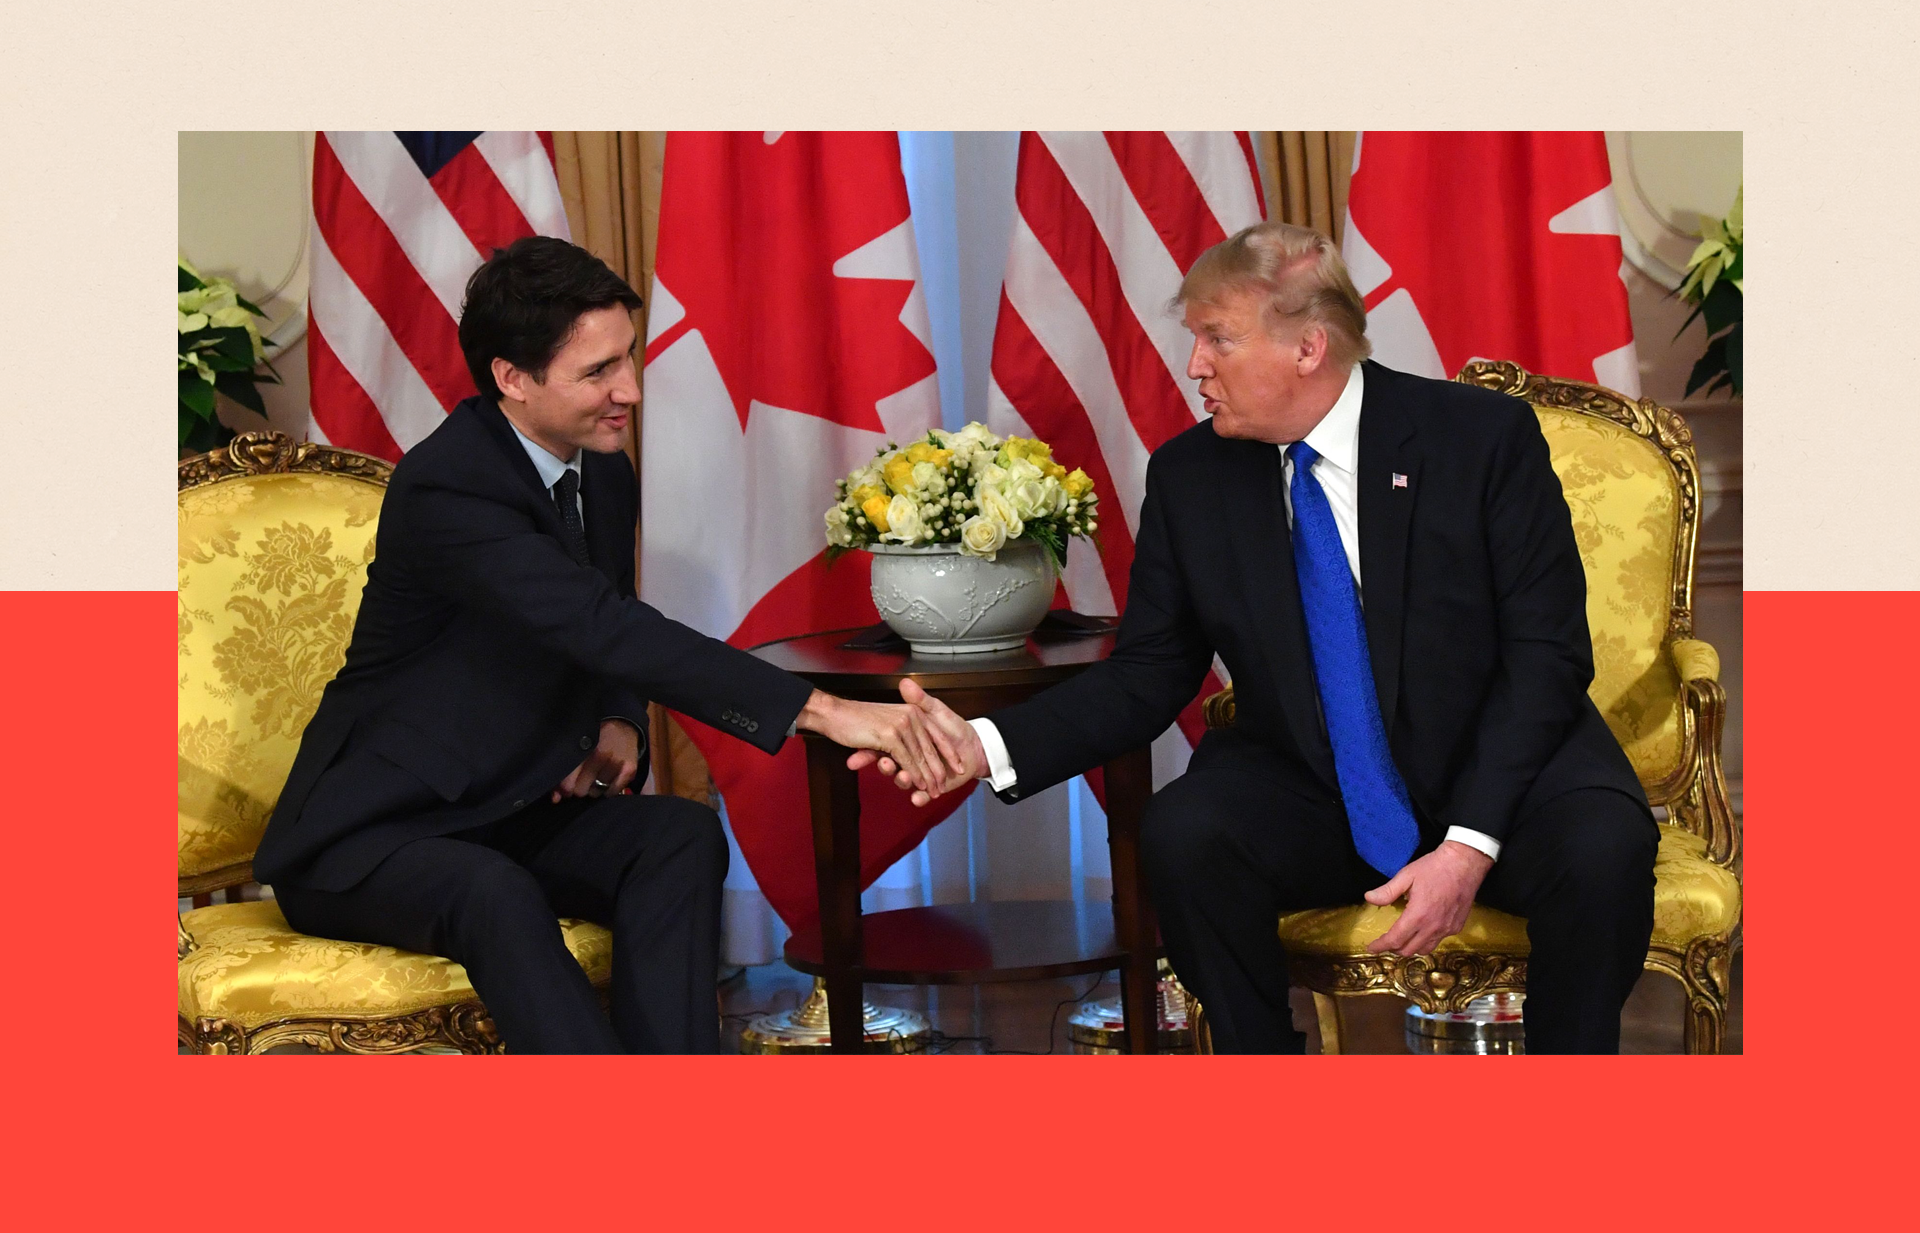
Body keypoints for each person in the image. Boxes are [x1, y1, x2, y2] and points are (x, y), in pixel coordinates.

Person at [868, 220, 1659, 1053]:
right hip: (1316, 785)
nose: (1196, 365)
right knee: (1187, 837)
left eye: (1218, 339)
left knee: (1603, 849)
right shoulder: (1191, 476)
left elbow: (1548, 656)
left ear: (1309, 348)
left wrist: (1468, 846)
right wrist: (984, 745)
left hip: (1504, 770)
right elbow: (1149, 672)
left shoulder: (1478, 439)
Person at [254, 236, 958, 1054]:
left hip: (508, 806)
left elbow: (607, 612)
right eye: (597, 373)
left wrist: (618, 718)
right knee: (494, 893)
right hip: (373, 836)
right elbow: (599, 625)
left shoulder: (599, 464)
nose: (628, 391)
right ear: (513, 379)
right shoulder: (449, 485)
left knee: (679, 839)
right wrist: (823, 711)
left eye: (628, 358)